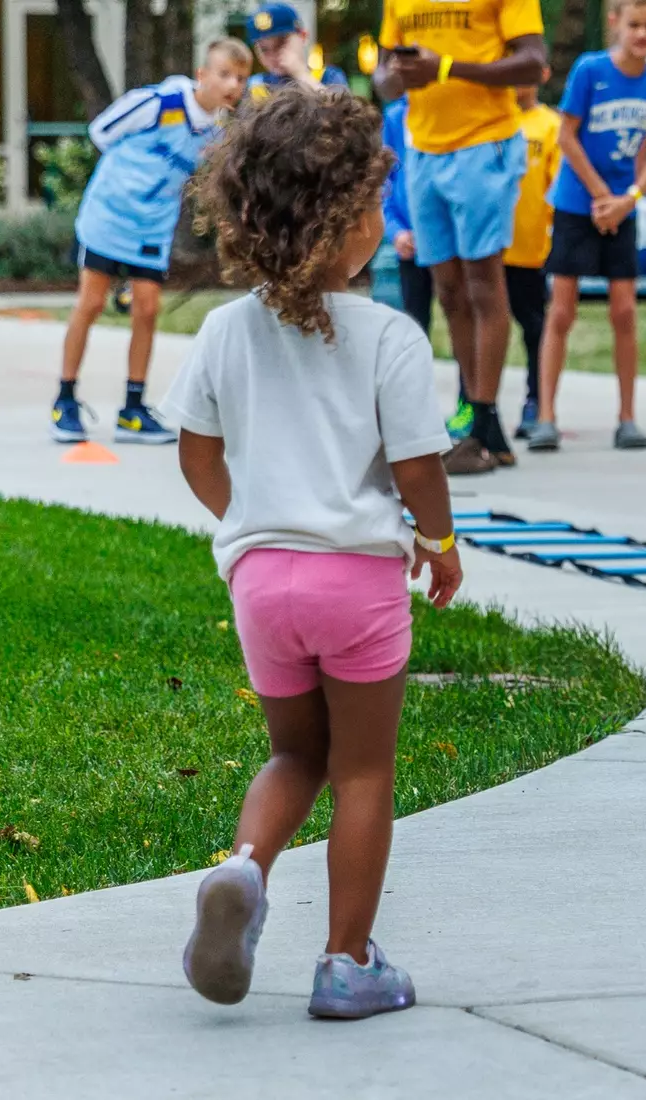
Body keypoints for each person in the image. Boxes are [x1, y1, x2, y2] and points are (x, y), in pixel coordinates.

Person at [164, 86, 463, 1019]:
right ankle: (347, 962)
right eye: (373, 200)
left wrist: (245, 513)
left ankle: (245, 871)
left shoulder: (223, 331)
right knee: (365, 770)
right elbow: (417, 471)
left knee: (295, 756)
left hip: (262, 583)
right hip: (357, 582)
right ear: (348, 225)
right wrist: (442, 542)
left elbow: (196, 451)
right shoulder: (388, 336)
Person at [373, 0, 549, 474]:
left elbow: (534, 60)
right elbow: (382, 74)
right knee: (448, 291)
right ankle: (478, 419)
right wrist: (397, 79)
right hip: (423, 148)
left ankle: (483, 422)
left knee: (482, 283)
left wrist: (446, 67)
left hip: (484, 142)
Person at [52, 39, 251, 446]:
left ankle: (133, 409)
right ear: (202, 74)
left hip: (152, 227)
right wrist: (129, 178)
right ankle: (65, 400)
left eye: (241, 78)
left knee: (146, 309)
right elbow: (101, 131)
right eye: (224, 74)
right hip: (109, 215)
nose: (233, 85)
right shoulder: (159, 103)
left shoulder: (216, 130)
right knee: (90, 303)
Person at [528, 0, 646, 452]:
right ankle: (545, 417)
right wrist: (598, 195)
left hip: (621, 209)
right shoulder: (590, 71)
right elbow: (566, 136)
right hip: (577, 206)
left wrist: (627, 200)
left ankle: (627, 418)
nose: (642, 34)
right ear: (615, 23)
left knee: (625, 312)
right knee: (562, 311)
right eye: (635, 25)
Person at [506, 70, 562, 442]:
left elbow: (557, 188)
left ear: (542, 74)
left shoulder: (551, 125)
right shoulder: (493, 122)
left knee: (534, 329)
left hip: (530, 249)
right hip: (490, 248)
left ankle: (535, 400)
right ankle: (474, 403)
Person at [380, 95, 436, 346]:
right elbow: (384, 181)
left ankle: (468, 386)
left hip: (448, 240)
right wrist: (396, 231)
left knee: (462, 314)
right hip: (409, 241)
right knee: (414, 322)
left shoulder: (452, 113)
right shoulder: (395, 116)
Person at [244, 1, 351, 101]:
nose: (273, 54)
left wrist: (301, 75)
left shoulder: (328, 76)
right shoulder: (254, 85)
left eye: (281, 43)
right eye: (264, 49)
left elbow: (343, 111)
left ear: (303, 37)